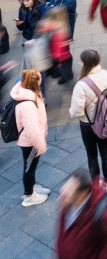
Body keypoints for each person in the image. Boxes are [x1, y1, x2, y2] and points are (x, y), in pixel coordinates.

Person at [68, 50, 107, 190]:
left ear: (85, 63)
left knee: (92, 155)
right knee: (105, 151)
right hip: (106, 122)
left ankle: (96, 187)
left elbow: (76, 111)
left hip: (88, 125)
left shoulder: (81, 84)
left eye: (80, 61)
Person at [56, 168, 107, 259]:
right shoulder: (67, 204)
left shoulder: (105, 213)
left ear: (82, 194)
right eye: (62, 193)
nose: (61, 198)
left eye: (66, 195)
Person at [10, 70, 49, 207]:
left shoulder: (27, 93)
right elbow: (32, 130)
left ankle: (32, 186)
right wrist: (41, 145)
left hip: (29, 140)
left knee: (31, 166)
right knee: (29, 168)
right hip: (30, 142)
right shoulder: (27, 104)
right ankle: (29, 196)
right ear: (34, 84)